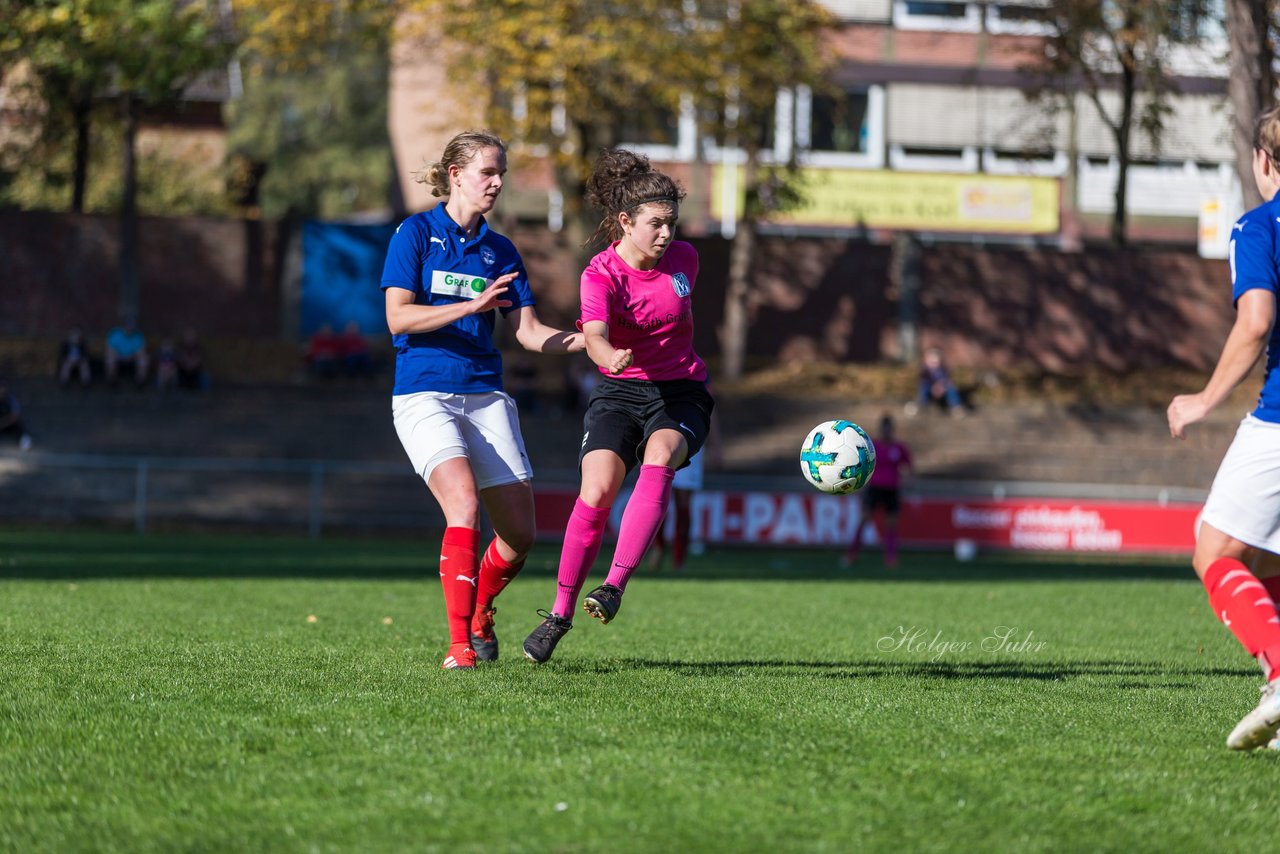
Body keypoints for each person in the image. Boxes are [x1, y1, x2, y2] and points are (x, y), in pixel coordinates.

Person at [381, 130, 585, 670]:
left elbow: (530, 333)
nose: (497, 182)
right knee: (464, 506)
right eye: (487, 172)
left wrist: (592, 341)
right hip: (424, 392)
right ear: (456, 175)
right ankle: (458, 648)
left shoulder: (500, 250)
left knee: (520, 535)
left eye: (501, 173)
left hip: (485, 394)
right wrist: (470, 308)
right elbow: (397, 318)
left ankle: (480, 609)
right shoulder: (416, 233)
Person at [522, 148, 714, 664]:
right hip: (618, 390)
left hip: (681, 392)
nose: (666, 234)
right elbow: (596, 335)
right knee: (598, 488)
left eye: (671, 223)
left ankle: (614, 586)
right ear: (625, 222)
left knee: (661, 457)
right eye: (655, 224)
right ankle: (559, 613)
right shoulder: (599, 274)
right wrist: (609, 354)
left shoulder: (686, 262)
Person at [1167, 105, 1280, 751]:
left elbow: (1257, 319)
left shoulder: (1261, 224)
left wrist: (1204, 399)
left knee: (1215, 552)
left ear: (1265, 162)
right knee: (1263, 554)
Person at [649, 410, 720, 570]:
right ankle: (658, 547)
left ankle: (679, 558)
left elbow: (710, 409)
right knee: (659, 497)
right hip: (664, 434)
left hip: (690, 438)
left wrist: (715, 444)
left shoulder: (704, 384)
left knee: (683, 501)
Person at [842, 414, 913, 569]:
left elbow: (908, 466)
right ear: (881, 430)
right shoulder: (873, 447)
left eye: (889, 429)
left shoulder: (899, 448)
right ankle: (851, 555)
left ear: (892, 430)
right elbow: (863, 466)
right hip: (874, 489)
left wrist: (907, 480)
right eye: (884, 429)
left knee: (891, 524)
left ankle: (890, 559)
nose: (887, 432)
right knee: (864, 520)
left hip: (892, 490)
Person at [907, 347, 963, 417]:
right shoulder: (925, 371)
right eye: (931, 362)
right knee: (923, 386)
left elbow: (946, 379)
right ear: (926, 361)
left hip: (941, 389)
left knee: (951, 388)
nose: (933, 365)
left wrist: (941, 386)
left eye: (935, 362)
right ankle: (921, 404)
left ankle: (955, 407)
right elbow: (926, 379)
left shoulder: (943, 370)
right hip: (930, 388)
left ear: (940, 362)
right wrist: (934, 387)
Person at [105, 316, 150, 387]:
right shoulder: (115, 333)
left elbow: (141, 351)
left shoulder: (138, 335)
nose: (130, 328)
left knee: (144, 360)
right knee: (110, 359)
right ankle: (112, 381)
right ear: (124, 325)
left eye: (132, 326)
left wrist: (132, 356)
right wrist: (118, 356)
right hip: (118, 356)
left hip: (132, 356)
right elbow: (110, 350)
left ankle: (140, 382)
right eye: (128, 325)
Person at [0, 378, 33, 451]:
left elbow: (15, 415)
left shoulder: (10, 399)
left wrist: (4, 423)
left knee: (19, 426)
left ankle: (25, 443)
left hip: (8, 423)